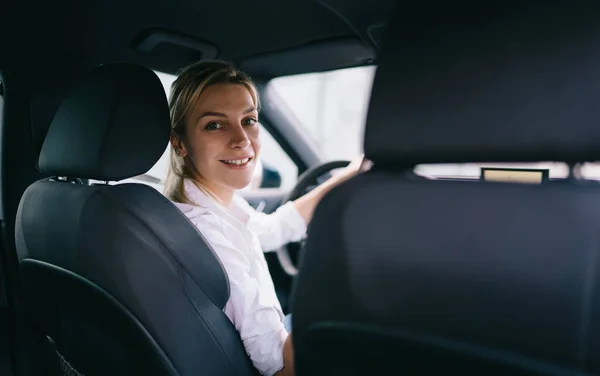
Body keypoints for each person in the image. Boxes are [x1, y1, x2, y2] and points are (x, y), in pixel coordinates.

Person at [164, 60, 370, 376]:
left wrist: (349, 175)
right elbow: (282, 367)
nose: (242, 140)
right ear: (179, 142)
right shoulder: (210, 234)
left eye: (248, 120)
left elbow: (272, 230)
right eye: (215, 125)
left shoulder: (211, 206)